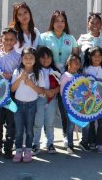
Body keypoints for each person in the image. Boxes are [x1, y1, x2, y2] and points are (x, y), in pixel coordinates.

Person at [38, 10, 79, 147]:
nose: (60, 24)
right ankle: (46, 137)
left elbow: (76, 59)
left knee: (65, 109)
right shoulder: (44, 37)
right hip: (49, 77)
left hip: (67, 79)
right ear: (52, 22)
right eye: (57, 21)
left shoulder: (71, 39)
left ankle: (67, 135)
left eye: (62, 21)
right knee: (47, 108)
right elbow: (40, 57)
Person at [0, 28, 21, 159]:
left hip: (12, 94)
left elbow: (19, 74)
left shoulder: (18, 57)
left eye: (11, 39)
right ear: (1, 39)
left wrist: (11, 77)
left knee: (11, 122)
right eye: (6, 39)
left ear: (15, 41)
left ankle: (8, 147)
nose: (8, 42)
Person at [11, 47, 46, 163]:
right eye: (25, 57)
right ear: (21, 59)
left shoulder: (39, 72)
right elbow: (12, 89)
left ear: (35, 60)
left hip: (32, 105)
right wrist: (20, 78)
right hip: (18, 105)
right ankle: (19, 150)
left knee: (30, 129)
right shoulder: (17, 71)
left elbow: (42, 91)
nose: (28, 60)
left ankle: (28, 150)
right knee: (19, 130)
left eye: (31, 57)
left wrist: (31, 84)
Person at [82, 47, 102, 153]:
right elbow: (83, 82)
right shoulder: (86, 68)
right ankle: (91, 141)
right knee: (91, 120)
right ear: (90, 57)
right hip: (90, 100)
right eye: (94, 55)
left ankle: (100, 143)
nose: (97, 58)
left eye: (99, 56)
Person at [32, 47, 61, 155]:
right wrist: (44, 91)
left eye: (48, 58)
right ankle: (35, 144)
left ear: (51, 59)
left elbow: (61, 85)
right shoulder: (35, 70)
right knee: (37, 123)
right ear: (38, 58)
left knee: (50, 123)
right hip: (39, 99)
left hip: (52, 99)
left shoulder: (55, 71)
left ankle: (50, 143)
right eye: (42, 58)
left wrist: (54, 91)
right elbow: (33, 85)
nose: (45, 60)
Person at [60, 54, 82, 154]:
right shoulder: (65, 76)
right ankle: (70, 144)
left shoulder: (79, 76)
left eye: (78, 63)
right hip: (68, 105)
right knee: (70, 124)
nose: (77, 65)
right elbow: (62, 92)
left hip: (78, 105)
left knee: (77, 124)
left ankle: (83, 142)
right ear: (68, 63)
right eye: (75, 63)